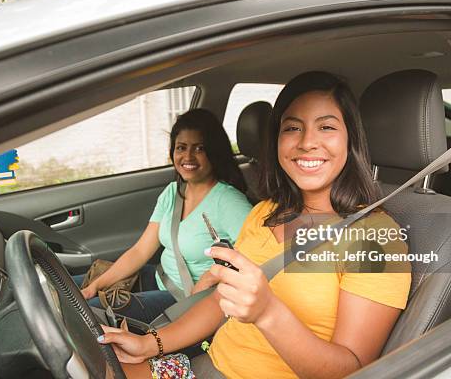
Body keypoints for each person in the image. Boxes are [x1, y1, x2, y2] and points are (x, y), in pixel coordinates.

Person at [98, 72, 412, 378]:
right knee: (97, 368)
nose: (306, 143)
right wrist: (149, 344)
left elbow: (352, 370)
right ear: (276, 139)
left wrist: (267, 313)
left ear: (351, 139)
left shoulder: (376, 238)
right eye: (292, 128)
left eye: (326, 127)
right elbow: (222, 300)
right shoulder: (265, 212)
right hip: (208, 367)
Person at [77, 109, 252, 323]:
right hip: (159, 278)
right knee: (70, 288)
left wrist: (210, 278)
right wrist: (96, 285)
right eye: (181, 148)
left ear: (214, 152)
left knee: (86, 314)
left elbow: (256, 254)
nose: (188, 157)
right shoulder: (172, 192)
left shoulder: (228, 201)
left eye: (199, 148)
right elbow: (141, 251)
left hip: (187, 298)